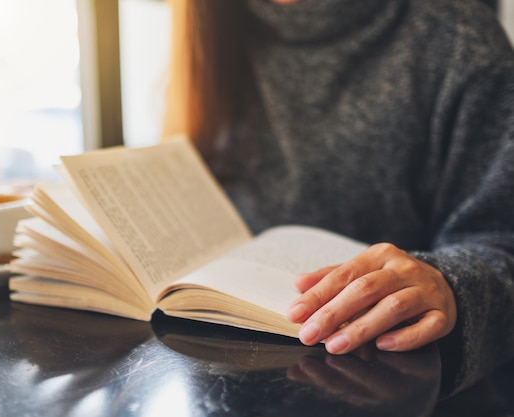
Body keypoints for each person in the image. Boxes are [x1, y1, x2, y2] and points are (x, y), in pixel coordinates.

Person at [162, 0, 514, 400]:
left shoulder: (456, 35)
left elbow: (503, 240)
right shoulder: (206, 22)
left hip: (385, 386)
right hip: (214, 377)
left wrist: (447, 283)